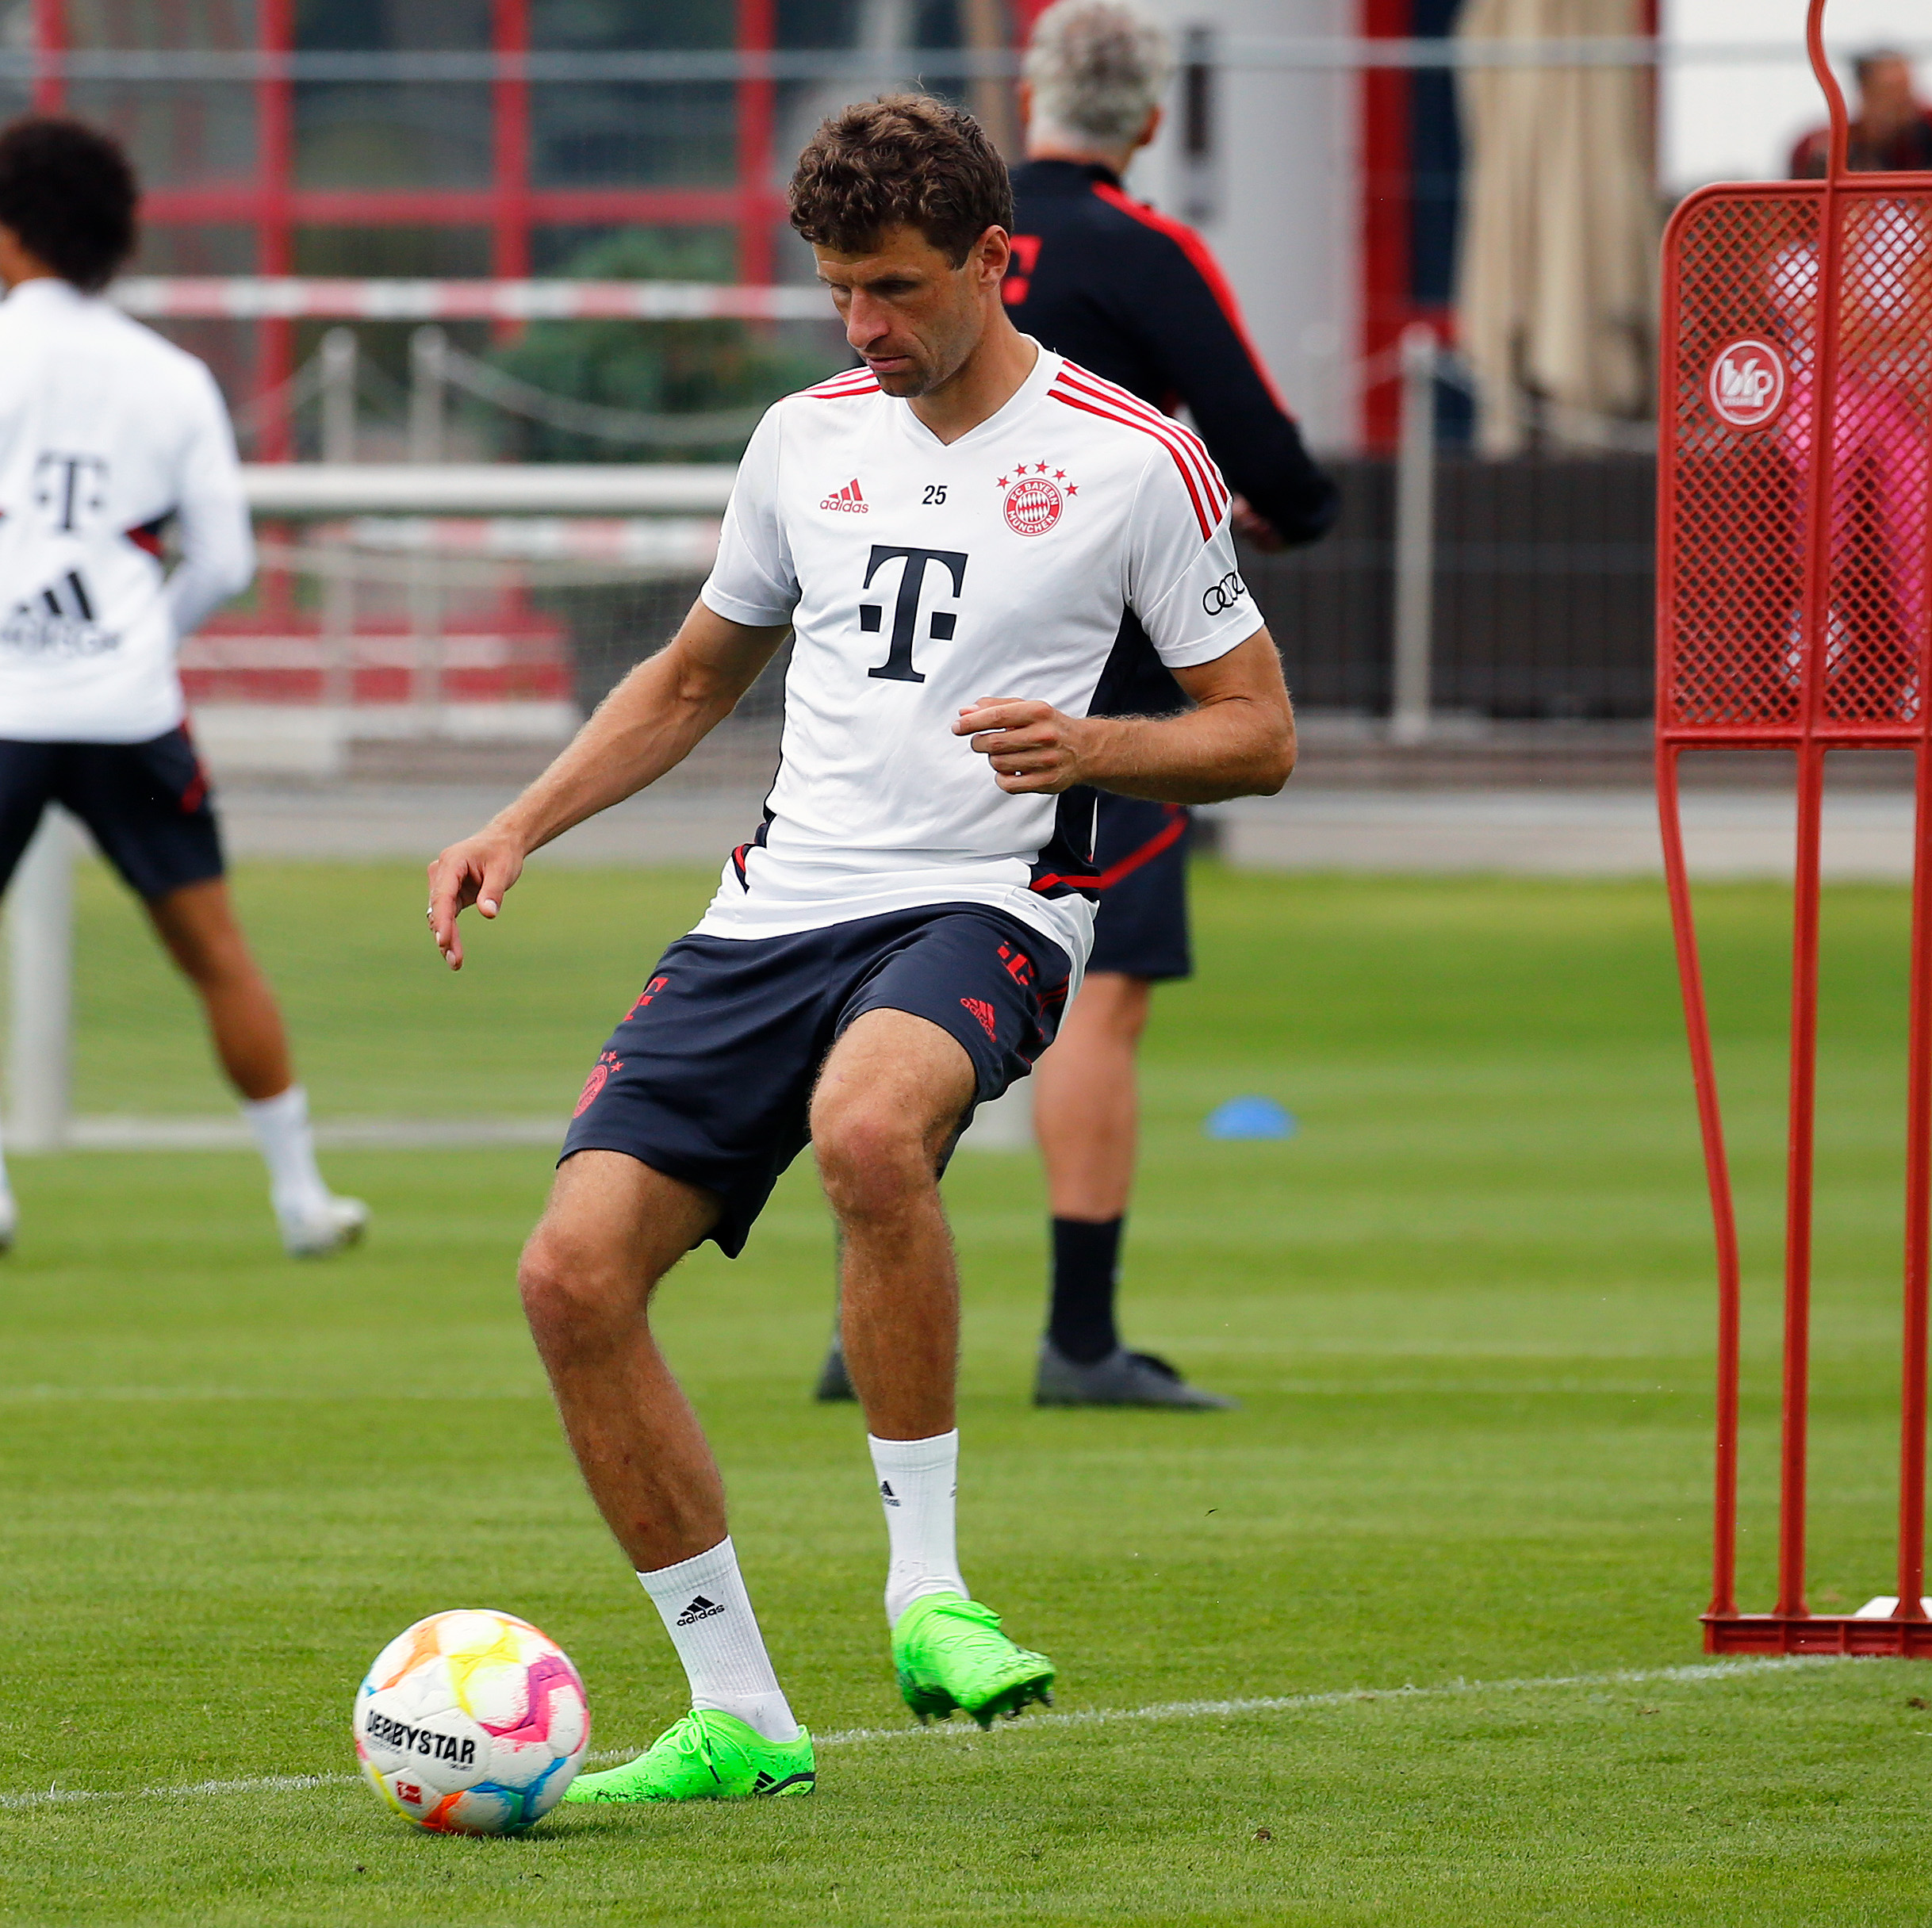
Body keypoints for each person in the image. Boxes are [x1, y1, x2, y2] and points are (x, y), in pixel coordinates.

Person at [425, 94, 1295, 1803]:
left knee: (870, 1129)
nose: (864, 328)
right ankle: (739, 1710)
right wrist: (516, 822)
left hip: (988, 905)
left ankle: (930, 1595)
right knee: (568, 1276)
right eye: (837, 291)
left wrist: (1093, 747)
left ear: (993, 258)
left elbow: (1259, 733)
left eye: (895, 288)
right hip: (776, 906)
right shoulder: (799, 441)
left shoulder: (1132, 455)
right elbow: (691, 681)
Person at [811, 0, 1338, 1412]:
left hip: (890, 686)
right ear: (1151, 121)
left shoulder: (938, 243)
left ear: (1026, 96)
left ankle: (864, 1303)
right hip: (1088, 712)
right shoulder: (1142, 254)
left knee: (875, 967)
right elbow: (1282, 471)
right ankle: (1084, 1339)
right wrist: (1248, 521)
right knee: (1098, 999)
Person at [0, 116, 367, 1267]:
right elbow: (228, 562)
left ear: (7, 228)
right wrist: (143, 633)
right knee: (214, 952)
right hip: (129, 709)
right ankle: (300, 1197)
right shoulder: (173, 376)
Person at [1789, 48, 1932, 178]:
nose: (1904, 102)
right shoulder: (1824, 147)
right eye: (1889, 91)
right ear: (1864, 92)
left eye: (1907, 90)